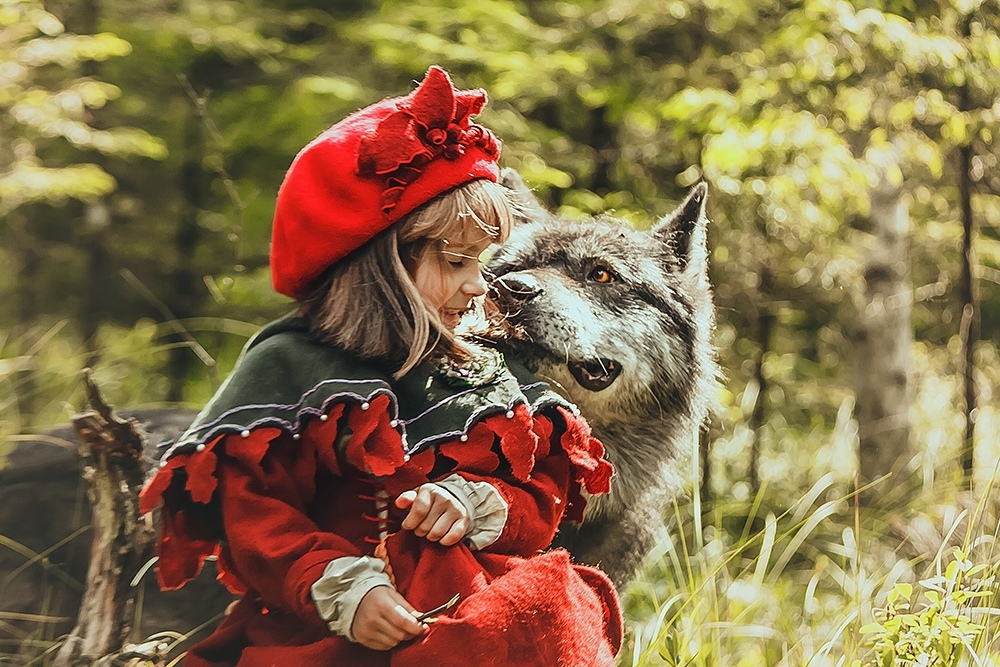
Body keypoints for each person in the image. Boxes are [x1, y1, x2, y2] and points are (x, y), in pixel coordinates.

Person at [139, 65, 621, 667]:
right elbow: (255, 516)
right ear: (381, 264)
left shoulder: (480, 369)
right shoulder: (292, 366)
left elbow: (539, 502)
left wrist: (478, 503)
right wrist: (339, 584)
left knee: (545, 605)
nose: (480, 284)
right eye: (456, 260)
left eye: (482, 259)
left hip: (477, 614)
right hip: (337, 634)